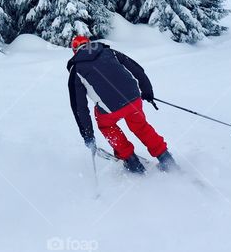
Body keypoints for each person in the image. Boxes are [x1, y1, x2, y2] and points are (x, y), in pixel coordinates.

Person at [67, 35, 177, 173]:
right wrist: (147, 90)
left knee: (105, 125)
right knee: (141, 126)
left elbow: (79, 107)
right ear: (90, 44)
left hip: (110, 109)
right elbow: (137, 69)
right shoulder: (109, 51)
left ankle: (130, 160)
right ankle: (166, 158)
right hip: (133, 98)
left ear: (74, 51)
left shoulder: (76, 69)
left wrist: (88, 135)